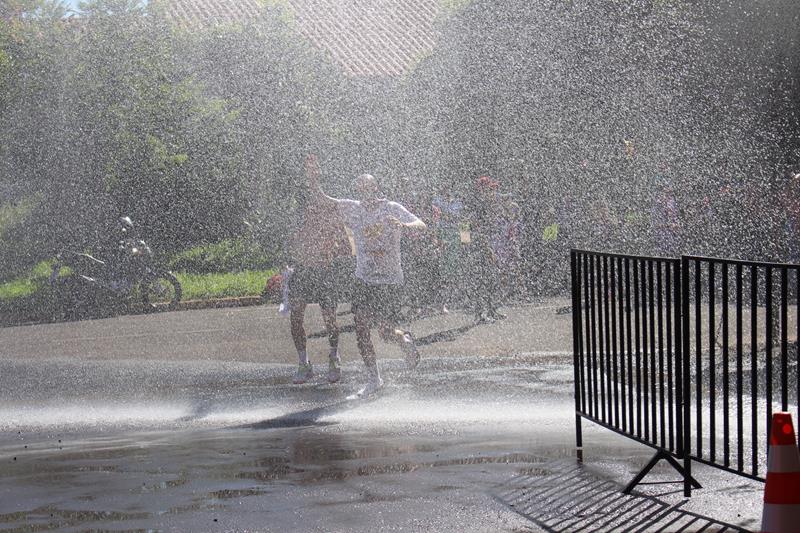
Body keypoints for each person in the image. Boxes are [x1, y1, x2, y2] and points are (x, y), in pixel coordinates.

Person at [307, 155, 426, 397]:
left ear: (376, 188)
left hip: (390, 280)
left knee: (384, 331)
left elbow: (421, 224)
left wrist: (404, 227)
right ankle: (374, 379)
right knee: (361, 327)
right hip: (364, 279)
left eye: (369, 188)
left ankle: (404, 341)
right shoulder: (354, 208)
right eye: (361, 189)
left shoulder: (391, 208)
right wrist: (313, 179)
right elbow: (322, 201)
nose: (365, 193)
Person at [284, 183, 352, 385]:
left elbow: (347, 248)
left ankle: (334, 357)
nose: (310, 205)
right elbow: (289, 245)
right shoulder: (298, 221)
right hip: (303, 271)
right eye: (307, 201)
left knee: (330, 319)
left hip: (325, 272)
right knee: (296, 318)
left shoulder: (331, 219)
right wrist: (287, 263)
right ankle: (304, 362)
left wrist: (332, 250)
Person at [468, 175, 505, 323]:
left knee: (490, 279)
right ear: (483, 189)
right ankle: (481, 314)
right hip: (481, 247)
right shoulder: (479, 205)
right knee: (482, 280)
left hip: (481, 246)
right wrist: (487, 248)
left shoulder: (482, 204)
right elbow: (476, 228)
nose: (493, 191)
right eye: (490, 188)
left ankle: (490, 310)